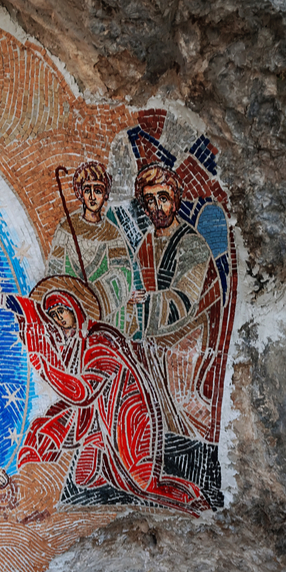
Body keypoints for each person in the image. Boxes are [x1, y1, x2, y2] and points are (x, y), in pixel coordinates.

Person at [0, 274, 205, 513]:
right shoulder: (73, 343)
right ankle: (100, 447)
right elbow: (21, 306)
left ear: (74, 309)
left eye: (62, 311)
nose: (58, 318)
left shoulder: (98, 343)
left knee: (143, 482)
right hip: (100, 419)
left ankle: (193, 500)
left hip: (128, 414)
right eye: (53, 314)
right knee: (83, 476)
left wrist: (46, 367)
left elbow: (82, 393)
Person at [128, 165, 224, 440]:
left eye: (163, 198)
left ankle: (201, 447)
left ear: (175, 199)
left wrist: (143, 306)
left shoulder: (190, 243)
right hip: (150, 332)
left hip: (187, 335)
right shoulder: (144, 244)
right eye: (150, 201)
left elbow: (183, 301)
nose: (157, 207)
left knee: (181, 399)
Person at [46, 160, 135, 331]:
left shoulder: (112, 234)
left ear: (106, 194)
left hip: (102, 318)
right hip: (68, 317)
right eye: (87, 190)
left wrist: (93, 297)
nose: (93, 197)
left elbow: (123, 275)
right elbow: (54, 272)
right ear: (80, 193)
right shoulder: (66, 228)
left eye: (98, 190)